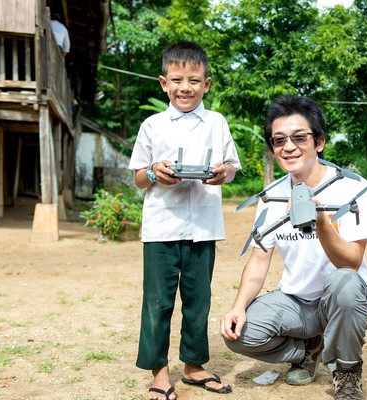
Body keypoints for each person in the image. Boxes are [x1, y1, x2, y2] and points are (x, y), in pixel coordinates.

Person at [220, 96, 367, 400]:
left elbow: (351, 263)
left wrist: (320, 221)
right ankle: (308, 349)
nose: (288, 147)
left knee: (345, 281)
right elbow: (258, 261)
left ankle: (346, 374)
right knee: (239, 335)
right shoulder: (271, 197)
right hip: (296, 302)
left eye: (299, 137)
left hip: (339, 300)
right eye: (278, 140)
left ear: (318, 141)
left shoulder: (353, 189)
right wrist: (238, 307)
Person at [128, 41, 240, 400]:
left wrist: (223, 173)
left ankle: (193, 366)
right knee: (158, 301)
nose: (185, 87)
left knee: (199, 299)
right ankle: (159, 371)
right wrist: (154, 172)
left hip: (204, 227)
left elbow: (232, 168)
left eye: (194, 80)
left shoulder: (216, 122)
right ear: (164, 83)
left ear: (206, 84)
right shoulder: (152, 125)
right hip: (161, 227)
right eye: (177, 80)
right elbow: (137, 177)